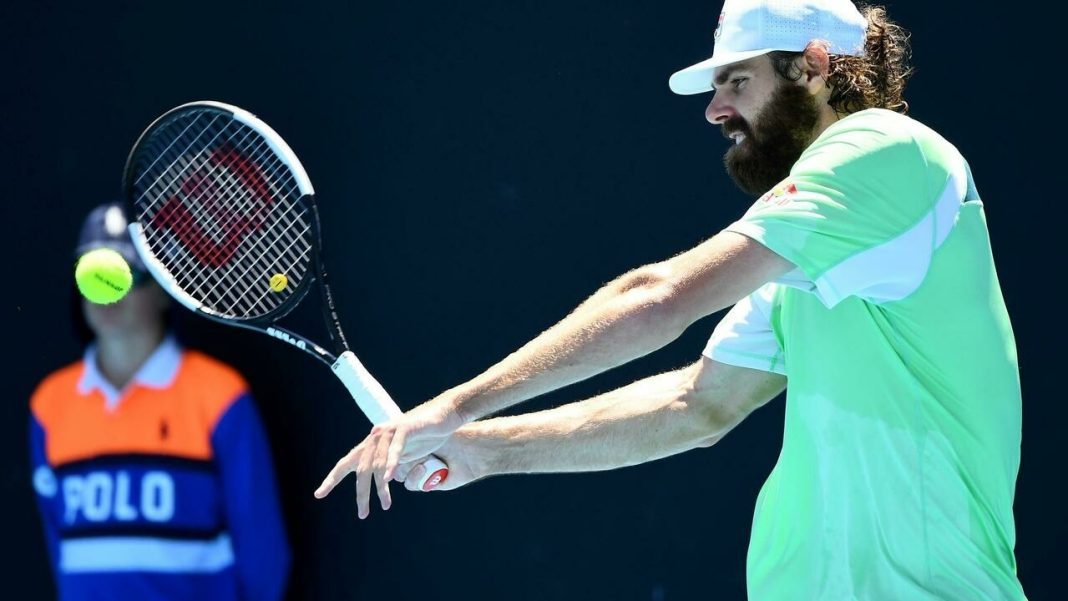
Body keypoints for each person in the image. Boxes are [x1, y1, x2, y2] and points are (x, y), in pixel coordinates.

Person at [315, 0, 1026, 598]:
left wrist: (458, 403)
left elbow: (658, 298)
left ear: (811, 67)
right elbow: (697, 405)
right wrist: (480, 451)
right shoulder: (816, 257)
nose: (716, 109)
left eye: (736, 82)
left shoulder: (886, 149)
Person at [30, 202, 291, 601]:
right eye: (93, 274)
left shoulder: (221, 394)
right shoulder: (49, 404)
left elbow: (261, 544)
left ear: (166, 291)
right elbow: (58, 540)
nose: (106, 292)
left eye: (128, 274)